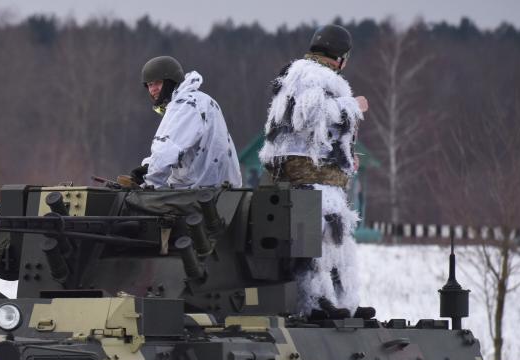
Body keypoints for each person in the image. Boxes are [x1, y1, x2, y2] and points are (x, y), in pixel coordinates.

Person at [259, 24, 371, 318]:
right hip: (309, 180)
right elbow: (306, 116)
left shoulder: (307, 74)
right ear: (341, 56)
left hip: (323, 180)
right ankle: (317, 304)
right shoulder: (310, 74)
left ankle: (342, 302)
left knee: (335, 244)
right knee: (317, 245)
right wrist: (352, 105)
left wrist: (346, 156)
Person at [132, 56, 243, 190]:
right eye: (149, 85)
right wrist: (148, 167)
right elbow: (176, 149)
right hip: (212, 189)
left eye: (158, 83)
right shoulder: (195, 100)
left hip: (203, 194)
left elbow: (167, 149)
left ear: (171, 82)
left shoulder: (187, 105)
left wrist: (148, 180)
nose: (153, 89)